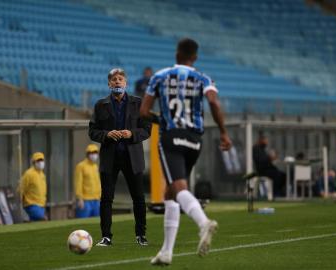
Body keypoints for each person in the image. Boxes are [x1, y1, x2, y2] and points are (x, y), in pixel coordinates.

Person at [140, 38, 232, 265]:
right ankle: (166, 252)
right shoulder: (204, 78)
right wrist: (223, 132)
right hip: (194, 140)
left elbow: (143, 112)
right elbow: (214, 104)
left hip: (171, 137)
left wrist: (160, 120)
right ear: (195, 57)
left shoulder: (160, 77)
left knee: (178, 187)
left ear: (176, 54)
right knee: (171, 192)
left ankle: (203, 223)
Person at [89, 68, 151, 246]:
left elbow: (147, 129)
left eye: (120, 79)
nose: (117, 82)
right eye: (114, 79)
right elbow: (92, 131)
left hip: (133, 157)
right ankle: (106, 236)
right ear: (109, 83)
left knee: (138, 198)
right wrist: (107, 135)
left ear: (126, 83)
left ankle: (141, 235)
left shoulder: (138, 104)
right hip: (110, 157)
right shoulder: (100, 105)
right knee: (106, 198)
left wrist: (130, 134)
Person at [74, 144, 101, 218]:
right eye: (91, 153)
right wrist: (80, 199)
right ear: (87, 154)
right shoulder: (81, 166)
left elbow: (98, 183)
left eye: (95, 152)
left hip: (96, 200)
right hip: (85, 200)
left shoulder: (95, 166)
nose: (93, 155)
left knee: (96, 223)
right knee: (83, 223)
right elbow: (78, 183)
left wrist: (100, 197)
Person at [19, 152, 47, 221]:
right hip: (31, 204)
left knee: (35, 223)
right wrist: (20, 202)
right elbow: (21, 188)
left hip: (41, 204)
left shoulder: (42, 175)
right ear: (34, 162)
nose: (40, 162)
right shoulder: (29, 174)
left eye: (42, 160)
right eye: (38, 160)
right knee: (42, 219)